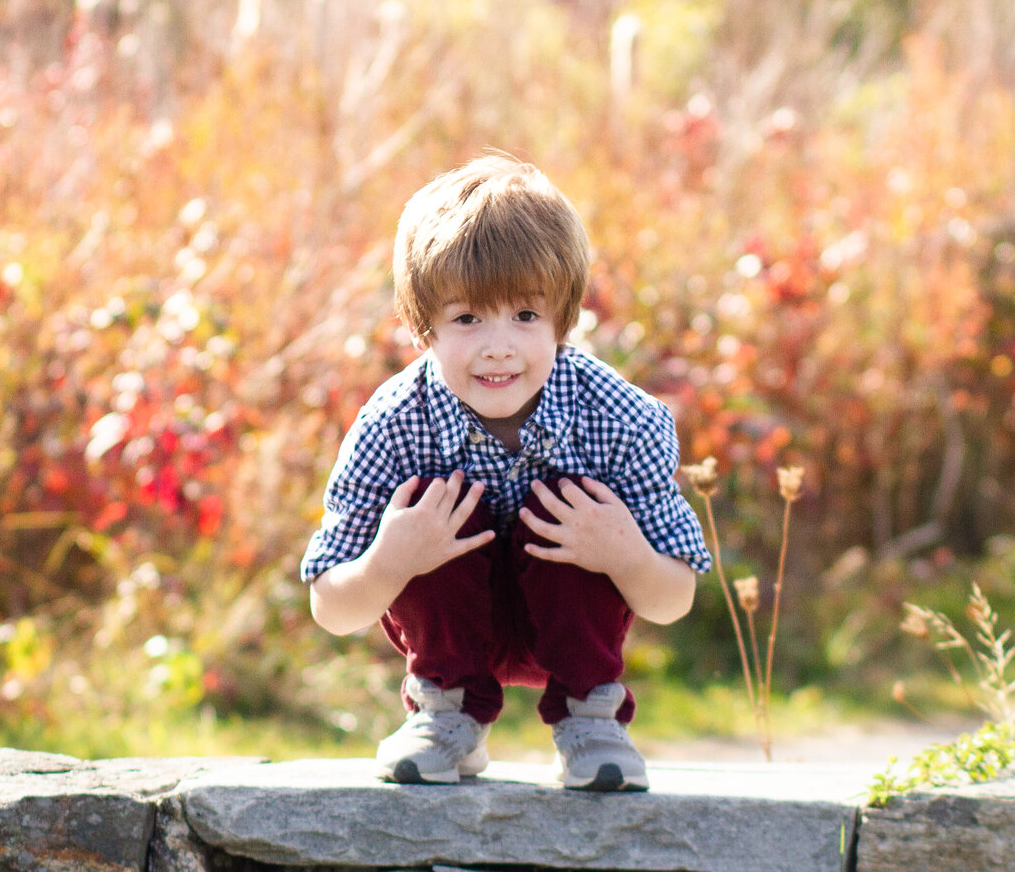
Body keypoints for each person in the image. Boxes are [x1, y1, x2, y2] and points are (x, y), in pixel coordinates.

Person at [301, 154, 710, 789]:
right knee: (431, 511)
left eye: (525, 316)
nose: (499, 346)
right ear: (423, 328)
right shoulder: (392, 423)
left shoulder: (623, 417)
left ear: (563, 321)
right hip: (453, 635)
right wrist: (391, 559)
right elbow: (330, 604)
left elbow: (673, 598)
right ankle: (447, 714)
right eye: (467, 318)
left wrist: (622, 551)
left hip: (576, 622)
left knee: (572, 503)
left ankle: (590, 719)